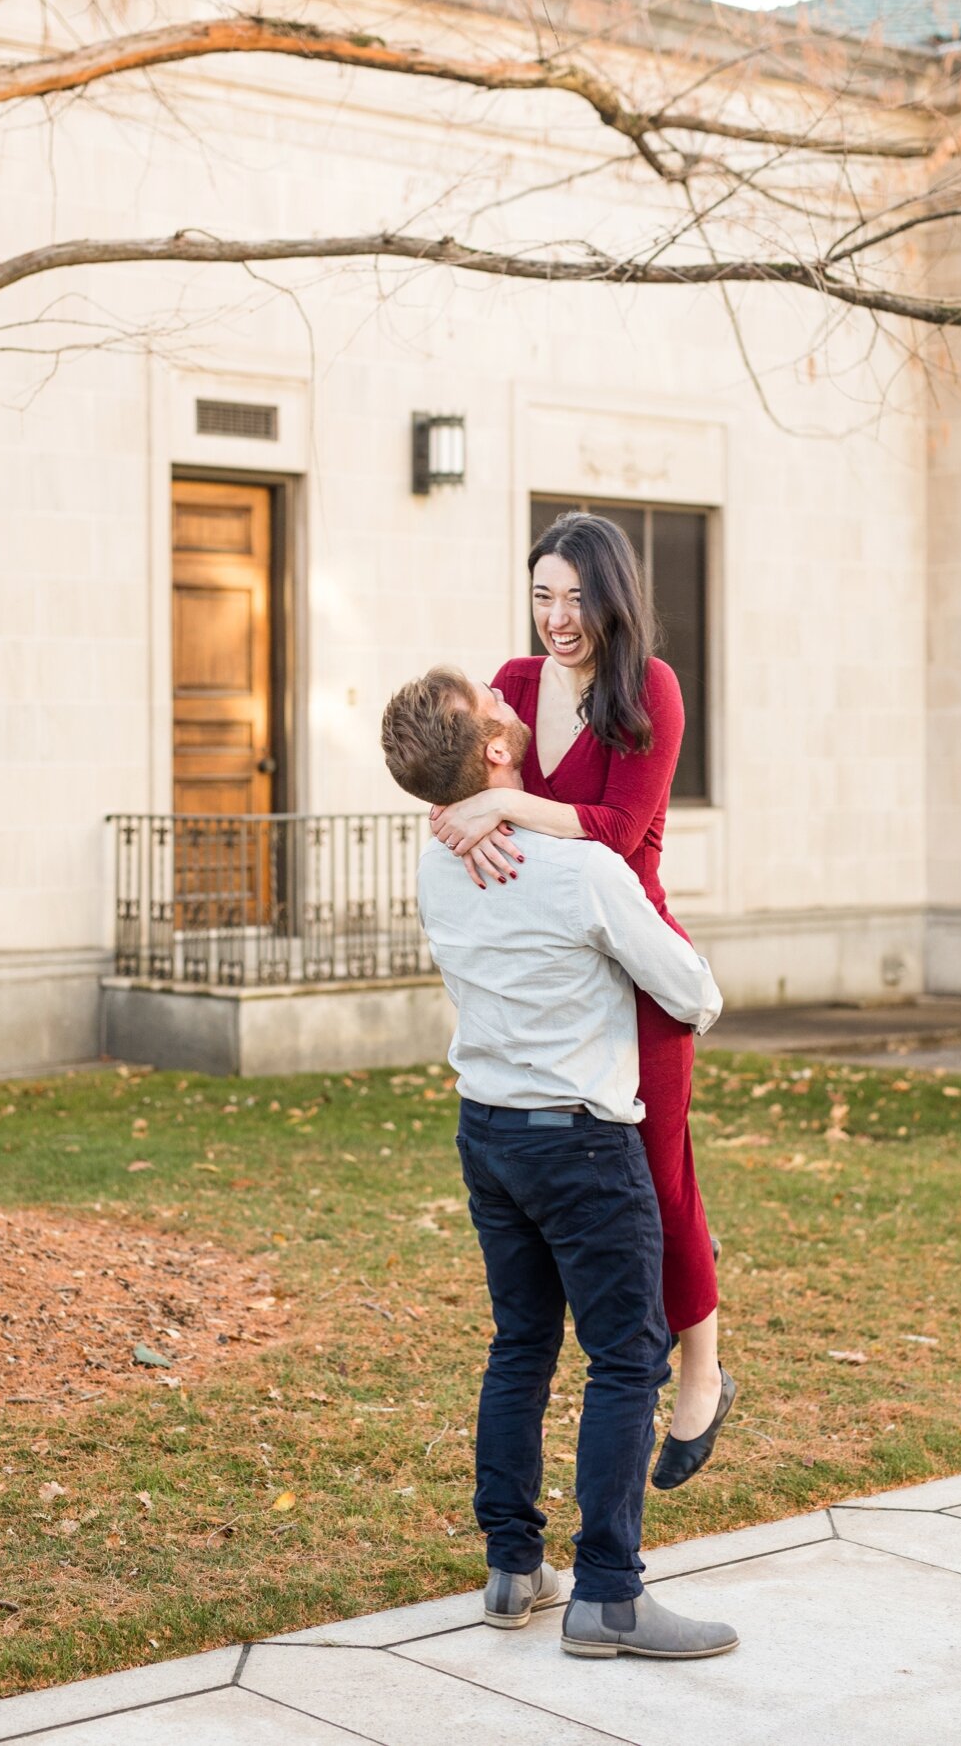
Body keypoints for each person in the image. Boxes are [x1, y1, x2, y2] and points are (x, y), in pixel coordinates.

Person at [382, 665, 737, 1661]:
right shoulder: (578, 870)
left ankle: (511, 1570)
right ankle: (610, 1598)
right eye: (496, 710)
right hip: (581, 1140)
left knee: (520, 1348)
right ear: (496, 755)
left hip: (486, 1133)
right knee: (627, 1358)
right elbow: (690, 992)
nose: (512, 703)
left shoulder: (436, 862)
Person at [424, 513, 735, 1490]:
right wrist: (461, 824)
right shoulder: (512, 686)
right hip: (554, 978)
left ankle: (700, 1372)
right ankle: (627, 1362)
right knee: (597, 1199)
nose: (557, 617)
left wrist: (505, 808)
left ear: (612, 597)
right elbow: (459, 777)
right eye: (540, 595)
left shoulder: (650, 692)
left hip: (637, 969)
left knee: (658, 1175)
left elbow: (615, 827)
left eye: (574, 596)